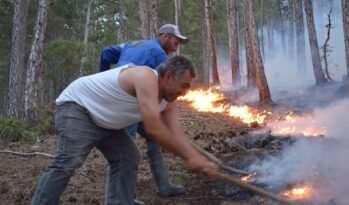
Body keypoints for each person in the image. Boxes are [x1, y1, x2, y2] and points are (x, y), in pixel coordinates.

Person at [31, 56, 219, 205]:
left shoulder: (169, 101)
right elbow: (154, 128)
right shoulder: (145, 76)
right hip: (78, 107)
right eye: (184, 85)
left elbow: (177, 135)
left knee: (127, 158)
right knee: (68, 162)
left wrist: (198, 159)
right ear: (168, 75)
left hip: (107, 122)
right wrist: (190, 158)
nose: (185, 92)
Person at [99, 24, 189, 197]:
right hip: (127, 103)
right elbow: (164, 87)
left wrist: (104, 77)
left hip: (127, 98)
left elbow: (105, 53)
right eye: (175, 42)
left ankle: (164, 186)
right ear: (164, 36)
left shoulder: (131, 44)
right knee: (125, 152)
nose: (176, 47)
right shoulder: (160, 54)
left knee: (153, 137)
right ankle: (122, 197)